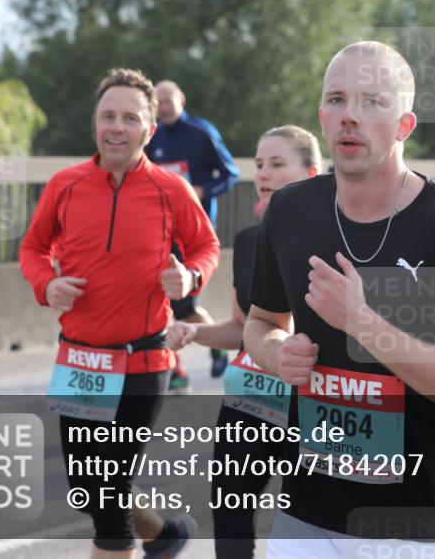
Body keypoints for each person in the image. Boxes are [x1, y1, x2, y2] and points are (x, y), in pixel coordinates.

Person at [243, 41, 435, 557]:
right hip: (307, 512)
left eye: (372, 102)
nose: (351, 116)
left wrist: (362, 322)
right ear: (321, 117)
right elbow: (260, 322)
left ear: (405, 125)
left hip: (411, 523)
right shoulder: (290, 211)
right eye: (338, 100)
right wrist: (277, 352)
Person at [20, 68, 220, 558]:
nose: (116, 126)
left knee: (108, 498)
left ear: (149, 129)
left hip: (142, 361)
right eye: (108, 116)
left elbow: (206, 246)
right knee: (87, 489)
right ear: (94, 123)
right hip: (79, 362)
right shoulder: (65, 185)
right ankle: (167, 535)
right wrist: (48, 283)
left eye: (130, 118)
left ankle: (148, 537)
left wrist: (191, 278)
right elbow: (32, 248)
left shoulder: (171, 190)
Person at [168, 125, 320, 559]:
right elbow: (243, 327)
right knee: (230, 510)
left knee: (307, 523)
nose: (264, 174)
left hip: (305, 405)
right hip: (246, 400)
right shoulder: (249, 240)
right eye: (258, 165)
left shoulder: (335, 240)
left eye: (277, 164)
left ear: (311, 174)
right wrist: (194, 332)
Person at [147, 79, 240, 385]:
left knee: (183, 307)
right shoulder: (151, 135)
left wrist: (201, 189)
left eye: (167, 101)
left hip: (192, 232)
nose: (162, 107)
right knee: (160, 302)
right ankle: (176, 370)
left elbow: (230, 174)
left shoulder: (201, 133)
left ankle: (204, 353)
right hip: (157, 232)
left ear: (181, 99)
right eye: (157, 102)